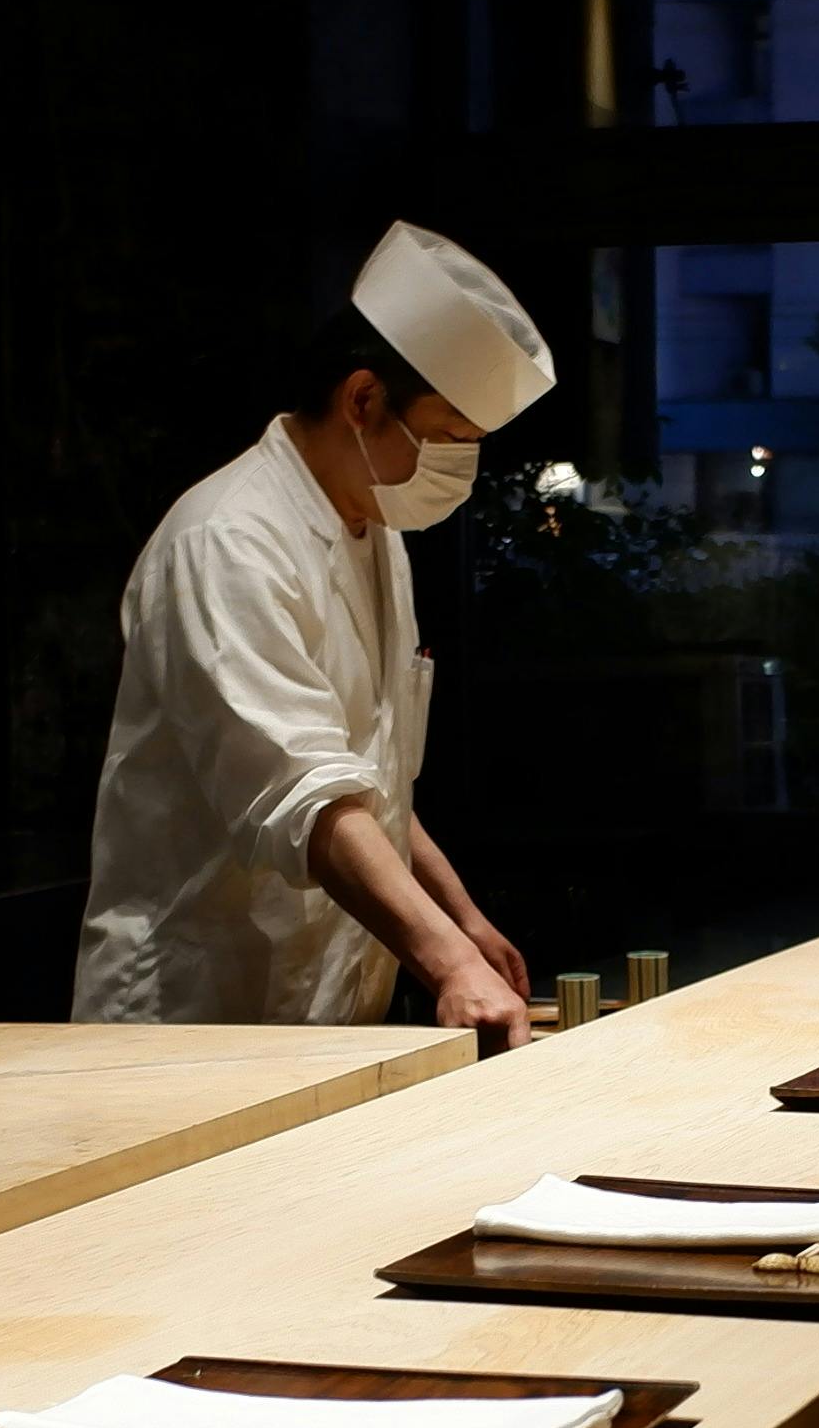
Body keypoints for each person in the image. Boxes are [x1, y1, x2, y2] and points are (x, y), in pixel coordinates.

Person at [72, 222, 555, 1049]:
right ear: (363, 400)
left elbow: (369, 777)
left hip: (323, 1008)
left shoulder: (376, 532)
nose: (459, 468)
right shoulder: (228, 539)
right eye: (448, 438)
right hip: (193, 1014)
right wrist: (446, 962)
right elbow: (306, 790)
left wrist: (462, 921)